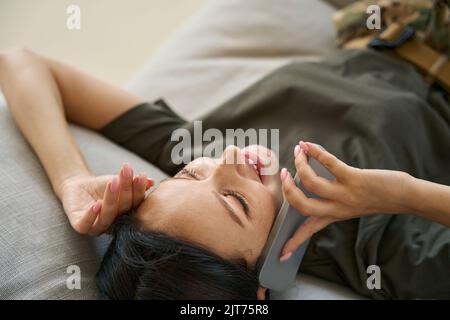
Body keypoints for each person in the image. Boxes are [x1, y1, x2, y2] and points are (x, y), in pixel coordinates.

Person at [0, 46, 449, 299]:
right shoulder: (380, 248)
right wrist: (404, 193)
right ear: (268, 277)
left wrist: (71, 181)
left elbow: (20, 62)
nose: (229, 158)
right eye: (236, 202)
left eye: (190, 174)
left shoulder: (194, 150)